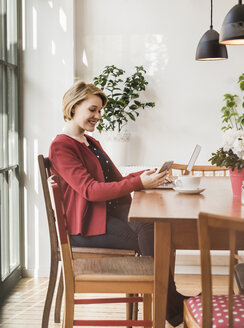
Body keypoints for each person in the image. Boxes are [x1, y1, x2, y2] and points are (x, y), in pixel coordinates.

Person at [49, 81, 186, 326]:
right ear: (73, 107)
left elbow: (116, 181)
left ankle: (172, 305)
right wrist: (140, 184)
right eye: (93, 109)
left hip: (106, 218)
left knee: (153, 226)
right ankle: (174, 308)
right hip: (87, 228)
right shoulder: (61, 146)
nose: (98, 116)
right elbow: (91, 191)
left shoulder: (90, 142)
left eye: (100, 110)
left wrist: (147, 175)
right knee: (155, 233)